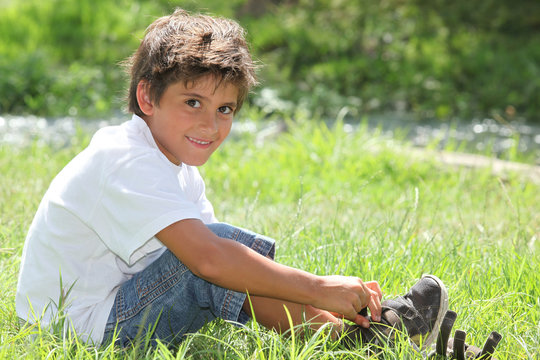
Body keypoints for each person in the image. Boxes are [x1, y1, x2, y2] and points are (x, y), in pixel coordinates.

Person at [16, 8, 448, 352]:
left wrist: (325, 296)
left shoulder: (177, 168)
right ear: (147, 97)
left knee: (230, 260)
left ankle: (361, 334)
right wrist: (321, 288)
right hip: (84, 329)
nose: (210, 124)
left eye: (225, 109)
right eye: (193, 101)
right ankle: (355, 338)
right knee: (216, 258)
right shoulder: (123, 159)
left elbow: (233, 270)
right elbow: (211, 262)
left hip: (115, 311)